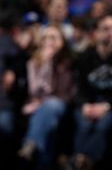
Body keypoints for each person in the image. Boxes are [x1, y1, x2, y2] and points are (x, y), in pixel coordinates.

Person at [72, 14, 112, 169]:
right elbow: (79, 88)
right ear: (96, 33)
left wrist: (107, 106)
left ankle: (81, 161)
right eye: (106, 29)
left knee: (103, 124)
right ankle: (83, 161)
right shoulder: (85, 57)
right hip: (90, 103)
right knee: (83, 123)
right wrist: (85, 105)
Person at [17, 25, 74, 168]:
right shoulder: (33, 62)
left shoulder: (68, 63)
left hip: (61, 105)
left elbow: (63, 92)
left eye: (54, 38)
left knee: (51, 105)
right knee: (50, 128)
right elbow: (34, 90)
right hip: (40, 108)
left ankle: (30, 142)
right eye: (46, 38)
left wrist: (52, 64)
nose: (50, 42)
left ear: (62, 42)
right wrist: (45, 65)